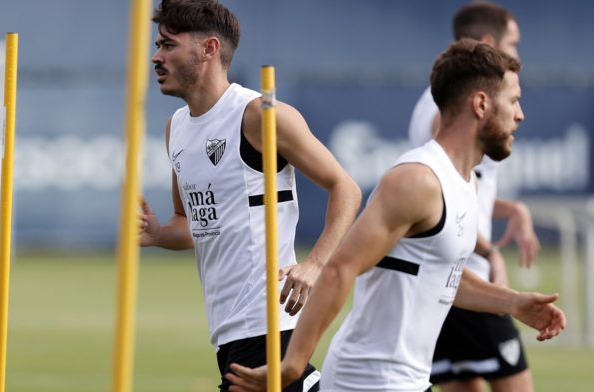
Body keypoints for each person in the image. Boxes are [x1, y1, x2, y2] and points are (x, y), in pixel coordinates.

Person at [226, 39, 566, 392]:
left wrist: (512, 302)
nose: (520, 114)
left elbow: (444, 275)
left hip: (409, 381)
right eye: (513, 101)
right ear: (481, 104)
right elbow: (341, 268)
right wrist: (293, 364)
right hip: (368, 382)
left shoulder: (465, 183)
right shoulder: (416, 180)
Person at [140, 1, 362, 391]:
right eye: (157, 45)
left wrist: (314, 265)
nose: (155, 57)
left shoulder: (259, 114)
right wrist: (158, 234)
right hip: (227, 331)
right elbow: (190, 226)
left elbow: (346, 187)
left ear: (209, 49)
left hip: (266, 322)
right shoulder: (174, 128)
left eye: (168, 45)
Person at [407, 3, 541, 391]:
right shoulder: (452, 121)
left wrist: (512, 208)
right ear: (489, 43)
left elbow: (459, 193)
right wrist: (489, 253)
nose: (519, 115)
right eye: (513, 44)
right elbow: (447, 203)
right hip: (464, 274)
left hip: (447, 274)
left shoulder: (435, 103)